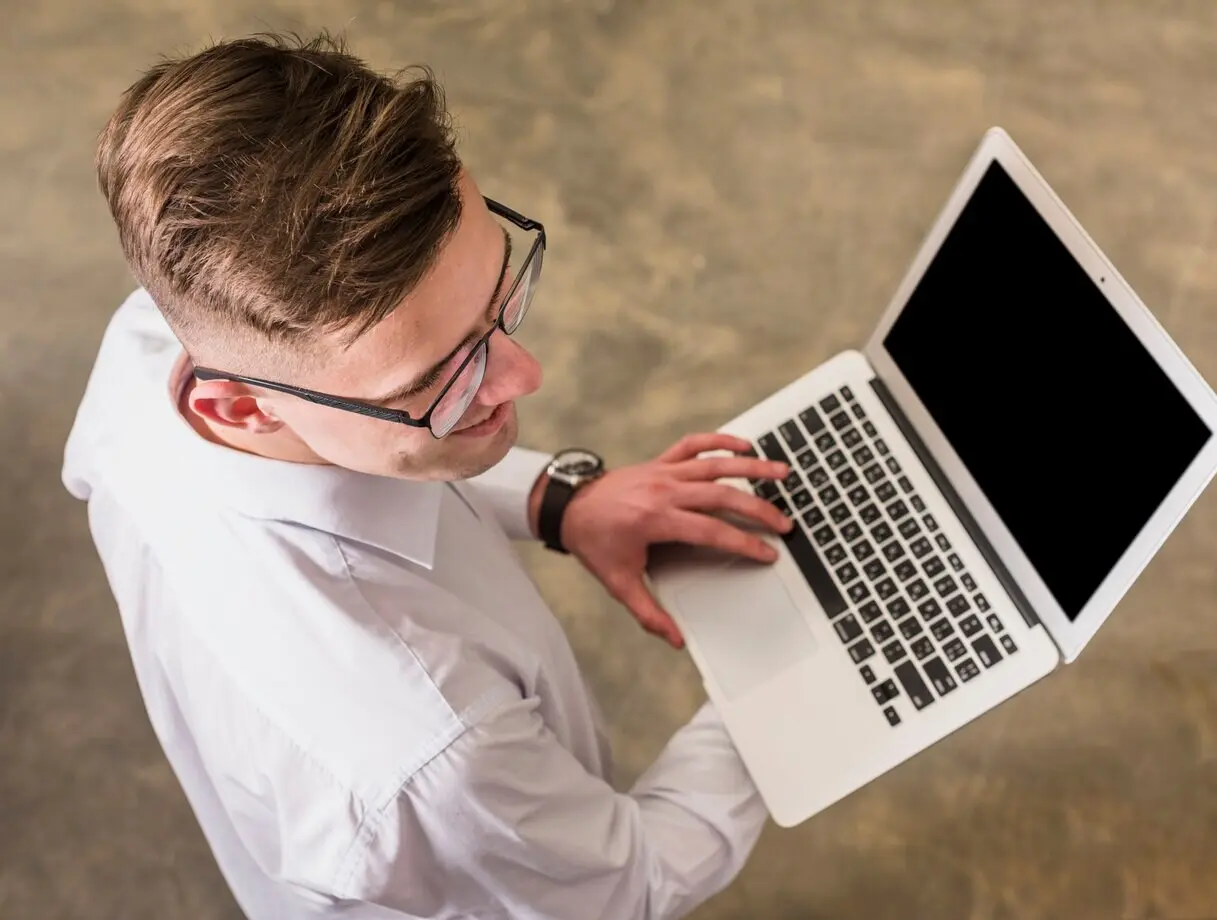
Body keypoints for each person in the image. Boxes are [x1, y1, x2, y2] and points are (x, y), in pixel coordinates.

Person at [62, 32, 796, 920]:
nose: (525, 377)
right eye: (434, 381)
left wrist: (560, 502)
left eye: (498, 295)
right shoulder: (430, 750)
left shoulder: (157, 349)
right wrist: (796, 678)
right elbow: (630, 882)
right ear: (241, 407)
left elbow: (358, 457)